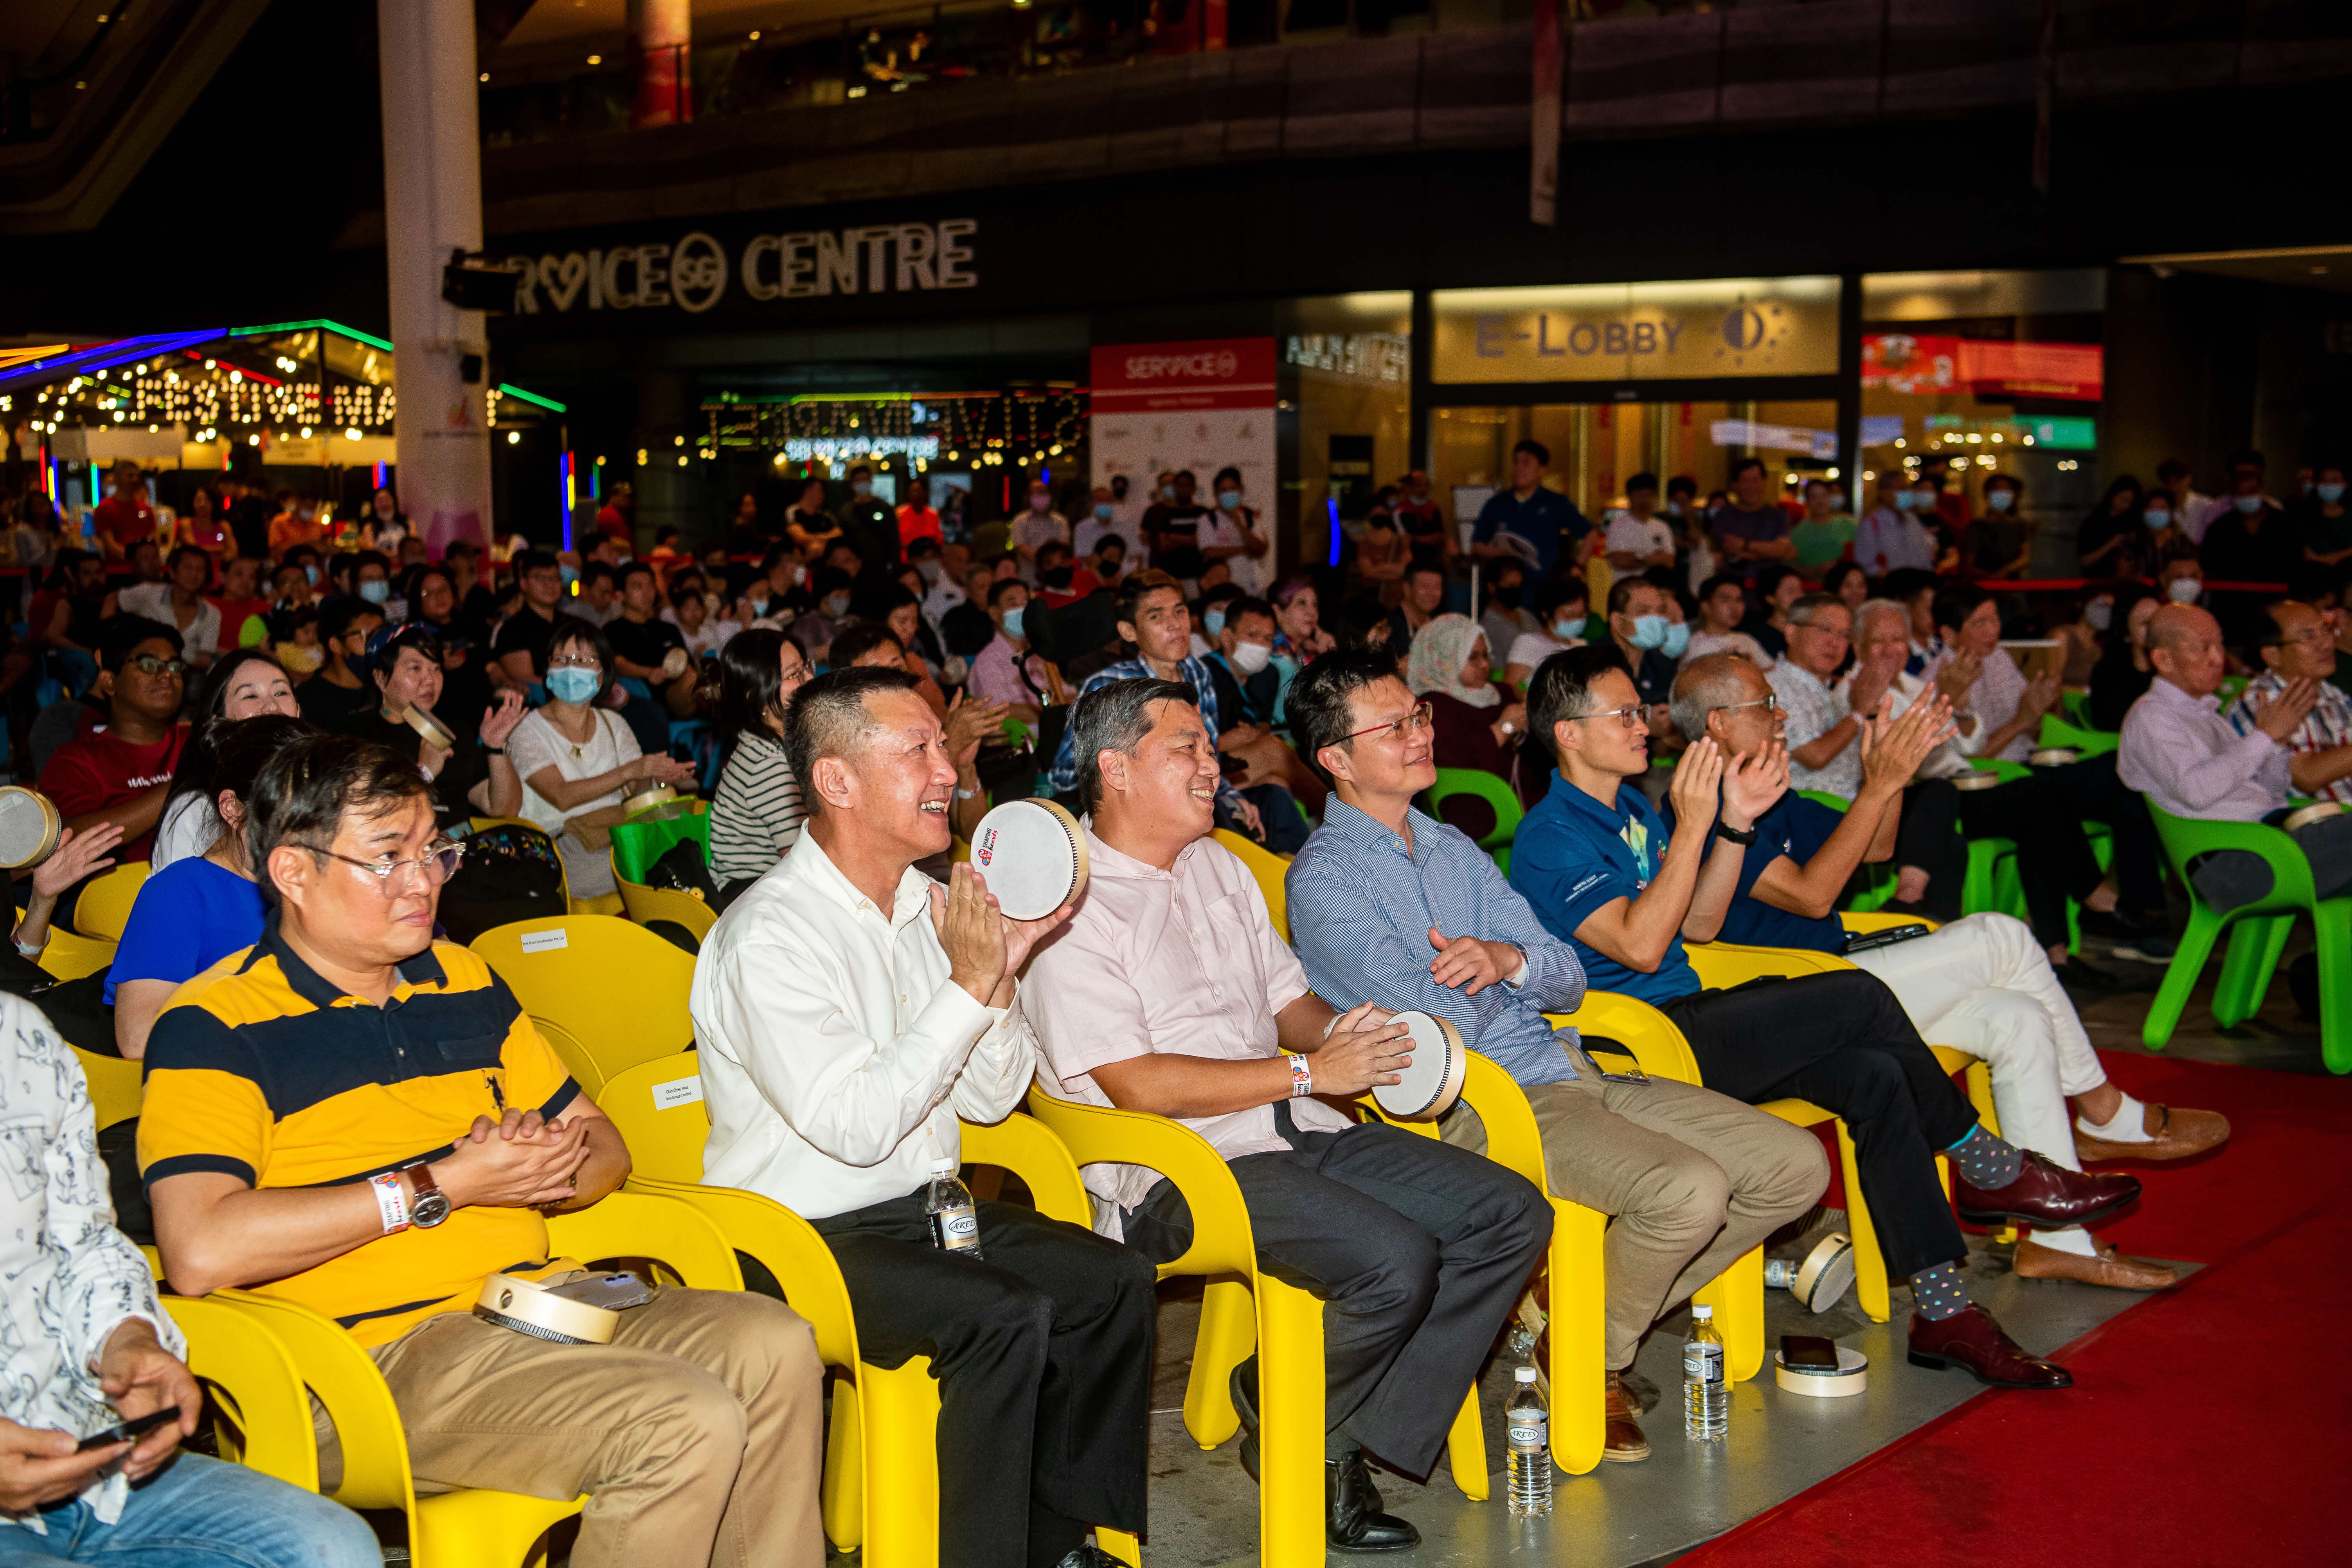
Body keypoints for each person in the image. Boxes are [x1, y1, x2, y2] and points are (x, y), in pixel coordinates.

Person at [140, 730, 824, 1568]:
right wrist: (441, 1185)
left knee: (775, 1343)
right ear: (291, 871)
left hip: (534, 1306)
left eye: (433, 851)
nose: (423, 881)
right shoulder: (213, 1023)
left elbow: (606, 1144)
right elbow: (201, 1248)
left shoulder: (462, 980)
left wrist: (542, 1165)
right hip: (361, 1357)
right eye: (388, 857)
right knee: (679, 1416)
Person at [1506, 646, 2139, 1389]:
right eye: (1624, 714)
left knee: (1873, 1075)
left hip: (1693, 1012)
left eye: (1638, 710)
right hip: (1639, 1045)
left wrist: (1732, 826)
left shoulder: (1635, 806)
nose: (1644, 725)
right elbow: (1643, 949)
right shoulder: (1552, 835)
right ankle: (1987, 1164)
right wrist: (1694, 824)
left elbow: (1701, 925)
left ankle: (1943, 1309)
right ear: (1569, 734)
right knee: (1858, 995)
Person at [1027, 677, 1549, 1539]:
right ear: (1114, 769)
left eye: (1205, 745)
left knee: (1507, 1212)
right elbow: (1138, 1085)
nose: (1210, 763)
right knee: (1393, 1259)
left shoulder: (1218, 864)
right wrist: (1309, 1070)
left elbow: (1287, 1005)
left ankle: (1305, 1416)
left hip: (1292, 1121)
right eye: (1185, 748)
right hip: (1175, 1167)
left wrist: (1357, 1031)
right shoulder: (1069, 905)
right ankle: (1320, 1438)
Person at [1282, 651, 1827, 1455]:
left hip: (1567, 1063)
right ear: (1334, 757)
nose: (1420, 735)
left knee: (1792, 1167)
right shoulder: (1325, 880)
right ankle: (1593, 1355)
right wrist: (1508, 966)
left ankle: (1578, 1330)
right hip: (1480, 1102)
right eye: (1394, 725)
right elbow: (1435, 1024)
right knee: (1687, 1189)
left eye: (1420, 716)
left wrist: (1504, 961)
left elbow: (1565, 977)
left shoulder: (1452, 846)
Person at [691, 666, 1151, 1568]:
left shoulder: (923, 903)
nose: (947, 768)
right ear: (836, 781)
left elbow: (988, 1098)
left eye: (943, 744)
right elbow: (855, 1127)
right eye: (918, 749)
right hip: (796, 1234)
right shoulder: (769, 934)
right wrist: (966, 986)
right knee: (1000, 1313)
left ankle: (1052, 1539)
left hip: (922, 1212)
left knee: (1111, 1280)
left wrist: (1000, 973)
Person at [1671, 653, 2222, 1283]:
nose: (1782, 714)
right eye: (1765, 703)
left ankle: (2058, 1243)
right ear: (1716, 723)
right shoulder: (1707, 805)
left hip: (1839, 974)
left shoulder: (1768, 788)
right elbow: (1812, 895)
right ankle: (2103, 1112)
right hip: (1796, 1005)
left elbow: (1877, 849)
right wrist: (1876, 786)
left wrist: (1897, 775)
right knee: (2001, 936)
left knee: (2015, 1017)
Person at [0, 988, 384, 1566]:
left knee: (332, 1547)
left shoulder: (18, 1034)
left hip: (89, 1454)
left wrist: (128, 1336)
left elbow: (87, 1242)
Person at [1046, 572, 1303, 851]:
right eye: (1156, 617)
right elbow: (1063, 774)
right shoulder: (1109, 685)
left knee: (1273, 797)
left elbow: (1207, 754)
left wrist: (1230, 796)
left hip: (1193, 793)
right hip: (1141, 812)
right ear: (1129, 631)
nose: (1174, 624)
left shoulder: (1198, 673)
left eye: (1179, 611)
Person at [108, 713, 314, 1060]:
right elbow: (138, 1035)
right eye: (290, 815)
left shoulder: (324, 878)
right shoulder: (181, 892)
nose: (312, 833)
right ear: (233, 808)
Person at [506, 618, 696, 900]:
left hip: (616, 832)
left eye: (583, 660)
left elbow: (637, 797)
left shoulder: (613, 723)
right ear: (548, 669)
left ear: (602, 672)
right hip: (562, 844)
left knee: (688, 848)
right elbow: (561, 796)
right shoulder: (527, 729)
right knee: (659, 869)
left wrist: (652, 774)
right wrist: (630, 770)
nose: (571, 668)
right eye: (561, 659)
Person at [38, 618, 191, 866]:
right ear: (109, 681)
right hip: (118, 893)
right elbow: (69, 839)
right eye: (149, 665)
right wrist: (183, 786)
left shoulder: (198, 741)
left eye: (175, 667)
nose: (166, 676)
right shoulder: (77, 761)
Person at [341, 624, 527, 827]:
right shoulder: (355, 738)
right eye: (415, 668)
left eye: (436, 669)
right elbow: (364, 818)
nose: (430, 680)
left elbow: (504, 809)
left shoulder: (454, 733)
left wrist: (496, 747)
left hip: (460, 850)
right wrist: (424, 774)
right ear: (380, 678)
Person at [152, 649, 303, 871]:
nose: (272, 706)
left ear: (298, 712)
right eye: (251, 696)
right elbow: (183, 898)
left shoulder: (320, 789)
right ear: (218, 722)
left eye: (281, 692)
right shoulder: (195, 811)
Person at [707, 630, 814, 893]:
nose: (809, 679)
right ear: (755, 695)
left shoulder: (764, 743)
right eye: (793, 675)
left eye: (805, 667)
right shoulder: (769, 766)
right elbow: (805, 862)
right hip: (755, 896)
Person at [2224, 599, 2352, 806]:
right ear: (2273, 655)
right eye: (2308, 638)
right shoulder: (2261, 700)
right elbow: (2306, 776)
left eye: (2326, 630)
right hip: (2309, 825)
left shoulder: (2334, 695)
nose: (2327, 644)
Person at [1766, 593, 1885, 799]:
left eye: (1844, 635)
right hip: (1807, 807)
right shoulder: (1772, 686)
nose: (1835, 643)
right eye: (1826, 630)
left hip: (1853, 804)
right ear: (1791, 633)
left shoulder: (1832, 691)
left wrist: (1871, 712)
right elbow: (1815, 756)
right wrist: (1859, 712)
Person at [1404, 616, 1526, 792]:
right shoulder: (1433, 704)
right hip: (1477, 799)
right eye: (1473, 657)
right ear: (1447, 658)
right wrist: (1503, 728)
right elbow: (1454, 762)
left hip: (1519, 787)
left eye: (1485, 655)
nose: (1484, 664)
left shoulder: (1501, 692)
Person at [1472, 439, 1592, 580]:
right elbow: (1478, 544)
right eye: (1516, 462)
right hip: (1507, 590)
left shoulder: (1556, 503)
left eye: (1526, 463)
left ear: (1542, 470)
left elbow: (1590, 533)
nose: (1519, 468)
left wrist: (1578, 566)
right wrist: (1500, 553)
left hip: (1544, 587)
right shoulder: (1497, 503)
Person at [1598, 576, 1682, 746]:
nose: (1656, 619)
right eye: (1643, 612)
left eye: (1660, 611)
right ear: (1617, 621)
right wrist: (1641, 722)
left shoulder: (1663, 663)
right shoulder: (1594, 666)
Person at [117, 545, 222, 671]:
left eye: (200, 570)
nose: (194, 575)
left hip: (188, 674)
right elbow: (114, 599)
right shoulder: (148, 593)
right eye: (188, 568)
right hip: (145, 667)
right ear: (173, 572)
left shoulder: (212, 613)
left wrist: (174, 667)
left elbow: (204, 660)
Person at [293, 596, 385, 729]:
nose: (377, 644)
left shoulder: (386, 687)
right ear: (336, 645)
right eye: (367, 635)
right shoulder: (307, 701)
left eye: (381, 634)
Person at [967, 578, 1050, 720]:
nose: (1022, 608)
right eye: (1013, 603)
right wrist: (1051, 713)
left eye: (1026, 602)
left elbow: (1069, 694)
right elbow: (997, 710)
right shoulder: (987, 661)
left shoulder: (1043, 651)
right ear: (994, 613)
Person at [1710, 457, 1794, 587]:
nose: (1751, 487)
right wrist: (1767, 552)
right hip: (1732, 587)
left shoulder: (1779, 516)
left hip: (1769, 589)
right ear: (1735, 486)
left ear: (1764, 482)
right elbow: (1728, 550)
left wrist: (1744, 545)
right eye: (1745, 481)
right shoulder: (1724, 515)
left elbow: (1782, 550)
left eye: (1756, 481)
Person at [2088, 585, 2163, 731]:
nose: (2155, 629)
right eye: (2146, 624)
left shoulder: (2175, 670)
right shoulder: (2108, 675)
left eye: (2159, 621)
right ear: (2126, 634)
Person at [491, 550, 567, 693]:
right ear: (524, 584)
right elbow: (526, 680)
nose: (549, 585)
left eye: (555, 578)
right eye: (540, 579)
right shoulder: (512, 630)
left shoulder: (573, 624)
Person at [1501, 579, 1590, 688]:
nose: (1575, 621)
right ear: (1547, 614)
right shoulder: (1528, 643)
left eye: (1580, 616)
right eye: (1568, 616)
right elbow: (1510, 688)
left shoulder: (1581, 646)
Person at [1200, 467, 1271, 593]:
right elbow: (1210, 553)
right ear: (1216, 495)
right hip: (1222, 588)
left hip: (1252, 586)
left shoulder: (1250, 517)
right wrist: (1245, 549)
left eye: (1233, 489)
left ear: (1241, 491)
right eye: (1223, 490)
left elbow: (1260, 549)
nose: (1229, 494)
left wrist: (1239, 523)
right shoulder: (1208, 519)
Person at [1681, 572, 1773, 669]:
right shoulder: (1696, 646)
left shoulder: (1745, 639)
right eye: (1725, 600)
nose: (1735, 608)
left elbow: (1773, 672)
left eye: (1739, 600)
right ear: (1706, 607)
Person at [1855, 473, 1938, 577]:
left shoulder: (1912, 520)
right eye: (1901, 489)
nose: (1907, 493)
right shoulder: (1871, 524)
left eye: (1908, 489)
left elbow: (1924, 555)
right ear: (1885, 494)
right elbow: (1866, 564)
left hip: (1919, 583)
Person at [1143, 469, 1214, 584]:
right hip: (1171, 577)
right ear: (1175, 487)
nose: (1184, 489)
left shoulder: (1204, 513)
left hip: (1199, 576)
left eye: (1187, 485)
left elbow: (1205, 542)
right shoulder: (1166, 514)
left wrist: (1175, 537)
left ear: (1193, 488)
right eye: (1180, 485)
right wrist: (1191, 539)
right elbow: (1164, 545)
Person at [2078, 475, 2155, 579]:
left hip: (2128, 583)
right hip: (2097, 581)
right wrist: (2113, 543)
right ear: (2113, 496)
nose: (2126, 506)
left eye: (2130, 502)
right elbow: (2085, 561)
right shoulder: (2093, 524)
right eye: (2123, 500)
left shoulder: (2133, 524)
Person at [1603, 472, 1677, 572]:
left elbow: (1669, 563)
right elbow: (1620, 562)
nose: (1644, 500)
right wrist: (1653, 558)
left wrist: (1636, 556)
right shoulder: (1618, 525)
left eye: (1649, 495)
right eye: (1639, 495)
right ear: (1630, 497)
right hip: (1627, 585)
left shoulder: (1662, 527)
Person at [835, 464, 901, 572]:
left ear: (871, 481)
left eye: (865, 479)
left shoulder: (885, 508)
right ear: (852, 485)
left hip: (880, 566)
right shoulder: (846, 511)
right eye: (858, 480)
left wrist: (894, 566)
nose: (863, 483)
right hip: (855, 568)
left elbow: (894, 540)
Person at [1970, 474, 2033, 579]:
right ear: (1987, 493)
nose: (2002, 493)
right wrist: (1991, 577)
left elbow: (2025, 557)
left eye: (2007, 489)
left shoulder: (2019, 525)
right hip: (1984, 585)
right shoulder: (1977, 526)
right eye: (1997, 488)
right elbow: (1969, 564)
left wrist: (2008, 571)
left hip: (2012, 585)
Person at [91, 461, 155, 561]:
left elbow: (153, 539)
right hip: (118, 570)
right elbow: (110, 545)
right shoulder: (105, 508)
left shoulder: (146, 509)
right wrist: (136, 560)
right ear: (117, 478)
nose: (135, 480)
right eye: (130, 476)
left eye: (137, 476)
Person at [1787, 478, 1855, 571]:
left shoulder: (1849, 525)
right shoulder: (1797, 533)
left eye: (1824, 496)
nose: (1820, 501)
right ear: (1807, 501)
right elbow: (1792, 568)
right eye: (1814, 497)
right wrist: (1816, 571)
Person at [1383, 560, 1449, 652]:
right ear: (1407, 589)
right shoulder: (1388, 626)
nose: (1431, 593)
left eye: (1436, 587)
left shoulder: (1441, 626)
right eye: (1425, 586)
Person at [1744, 563, 1804, 662]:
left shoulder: (1807, 631)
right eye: (1790, 592)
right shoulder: (1757, 637)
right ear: (1770, 598)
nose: (1799, 597)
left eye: (1801, 591)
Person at [1010, 483, 1070, 580]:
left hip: (1056, 579)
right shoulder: (1019, 521)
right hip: (1028, 579)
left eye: (1042, 492)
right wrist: (1048, 560)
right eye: (1035, 493)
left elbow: (1063, 548)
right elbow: (1021, 549)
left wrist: (1046, 561)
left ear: (1049, 495)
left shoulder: (1061, 521)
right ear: (1028, 498)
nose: (1039, 496)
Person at [897, 476, 944, 551]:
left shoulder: (933, 514)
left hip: (928, 559)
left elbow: (939, 540)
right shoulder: (899, 513)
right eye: (913, 491)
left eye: (920, 491)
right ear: (908, 493)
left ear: (925, 493)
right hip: (906, 560)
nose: (917, 494)